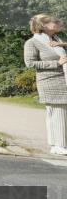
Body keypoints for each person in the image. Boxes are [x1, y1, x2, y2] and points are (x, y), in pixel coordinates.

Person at [24, 14, 67, 156]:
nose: (57, 22)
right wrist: (56, 63)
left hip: (62, 79)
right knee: (58, 112)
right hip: (50, 81)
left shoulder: (57, 40)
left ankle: (55, 145)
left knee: (56, 113)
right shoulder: (32, 42)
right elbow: (30, 64)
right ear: (43, 25)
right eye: (53, 21)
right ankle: (60, 145)